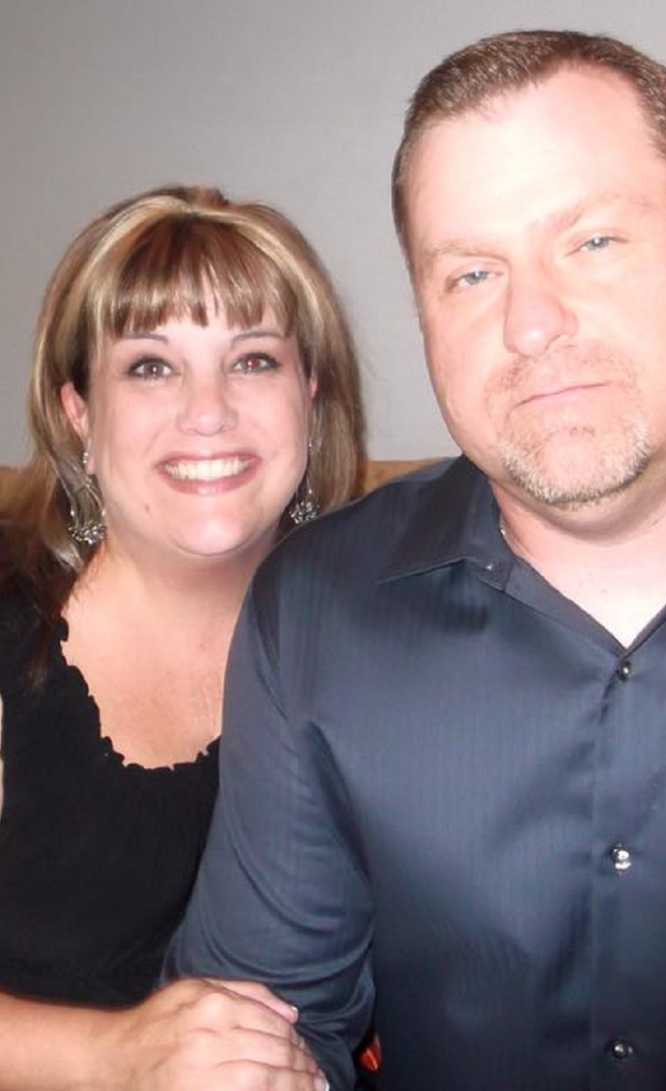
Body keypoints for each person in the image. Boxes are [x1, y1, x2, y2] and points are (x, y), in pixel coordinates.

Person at [167, 30, 666, 1091]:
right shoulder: (319, 610)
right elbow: (267, 1033)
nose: (531, 323)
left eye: (593, 242)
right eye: (471, 272)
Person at [0, 184, 364, 1090]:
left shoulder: (380, 634)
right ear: (79, 411)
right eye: (151, 367)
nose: (209, 412)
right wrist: (113, 1057)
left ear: (310, 399)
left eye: (253, 360)